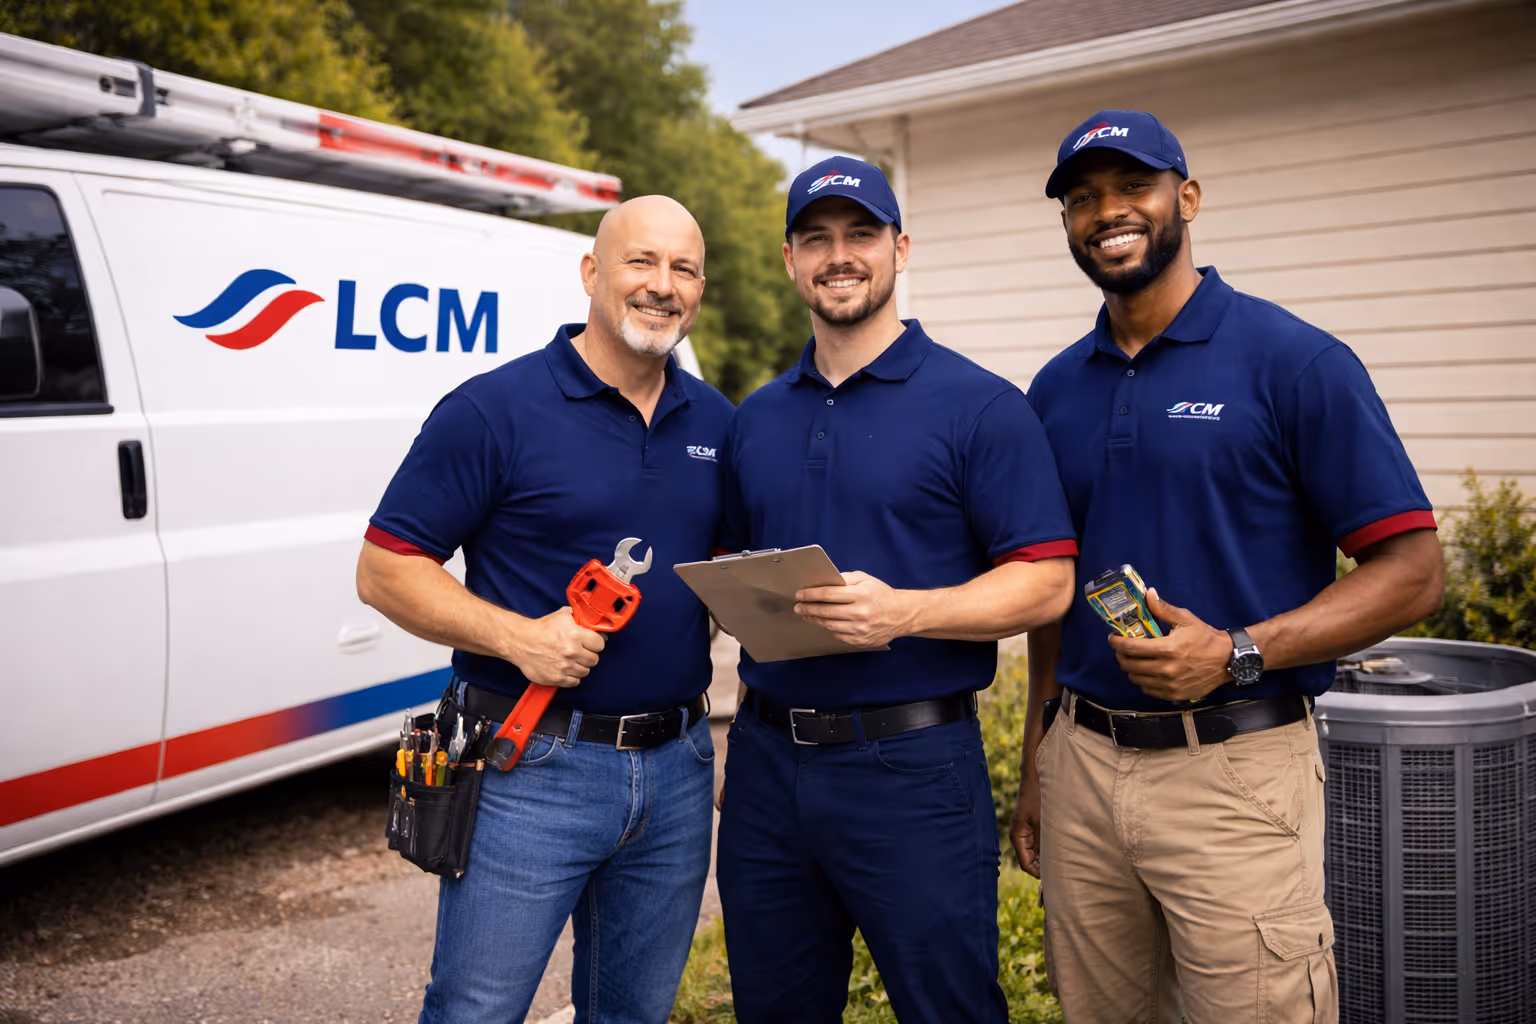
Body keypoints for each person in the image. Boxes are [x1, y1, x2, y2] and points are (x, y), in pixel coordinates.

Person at [1011, 110, 1445, 1023]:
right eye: (1082, 199)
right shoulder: (1052, 392)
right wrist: (1038, 765)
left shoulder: (1296, 363)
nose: (1108, 213)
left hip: (1236, 770)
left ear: (1188, 198)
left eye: (1134, 187)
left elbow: (1411, 570)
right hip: (1083, 768)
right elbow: (1053, 599)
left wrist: (1238, 650)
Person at [715, 155, 1078, 1024]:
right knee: (774, 1010)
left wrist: (909, 611)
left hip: (911, 770)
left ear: (900, 248)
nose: (839, 256)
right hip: (768, 767)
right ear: (790, 259)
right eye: (817, 239)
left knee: (947, 1009)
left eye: (860, 235)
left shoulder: (980, 406)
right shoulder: (756, 417)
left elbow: (1049, 584)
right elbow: (727, 577)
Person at [355, 195, 733, 1024]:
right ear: (593, 273)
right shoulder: (493, 409)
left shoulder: (717, 422)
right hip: (530, 771)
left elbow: (733, 576)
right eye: (641, 262)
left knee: (633, 1013)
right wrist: (518, 637)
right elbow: (385, 570)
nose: (662, 286)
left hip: (676, 772)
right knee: (476, 1011)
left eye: (684, 268)